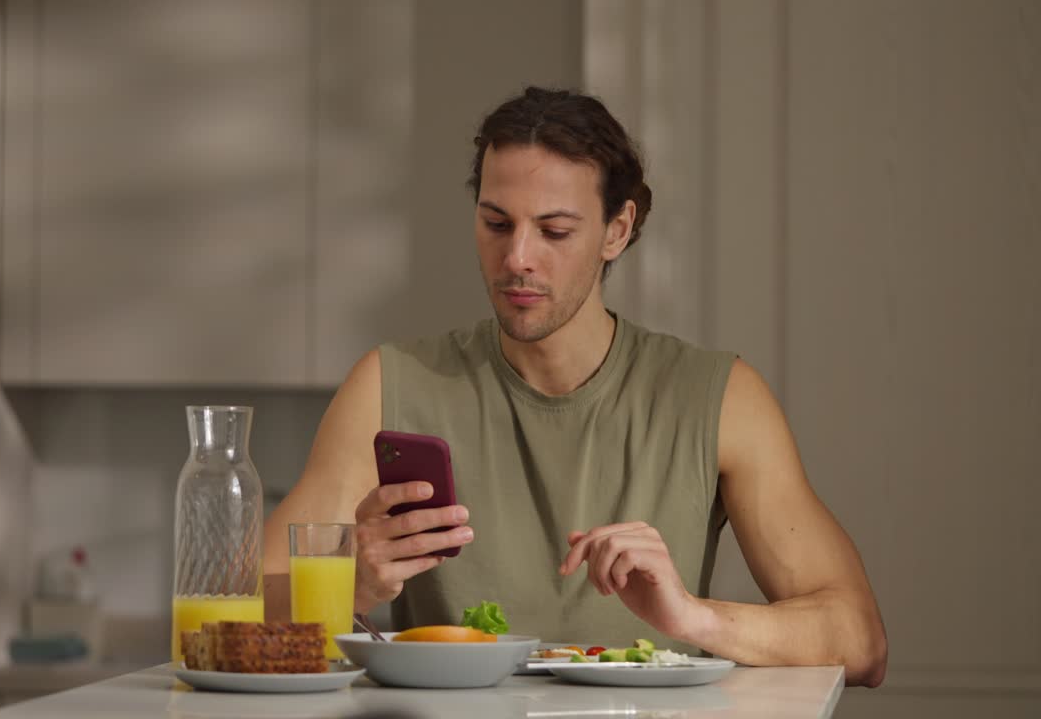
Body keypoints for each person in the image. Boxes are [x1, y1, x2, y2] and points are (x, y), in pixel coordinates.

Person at [263, 86, 887, 687]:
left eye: (555, 231)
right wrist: (350, 587)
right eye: (496, 223)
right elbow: (227, 614)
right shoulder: (389, 384)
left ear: (617, 230)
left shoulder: (720, 398)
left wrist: (689, 617)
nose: (517, 258)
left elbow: (860, 642)